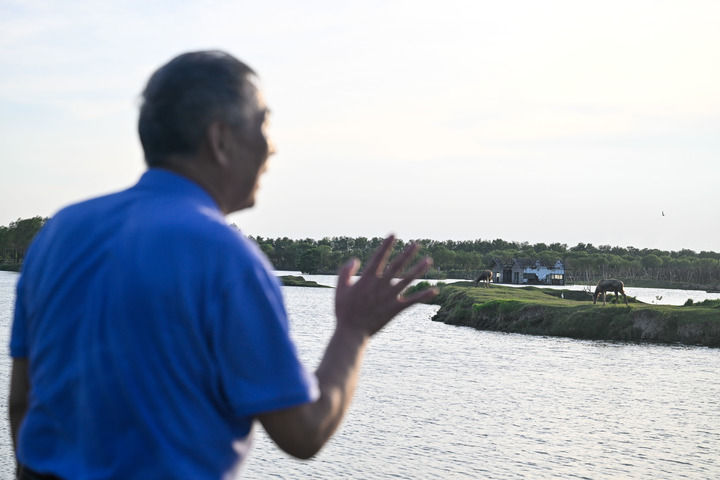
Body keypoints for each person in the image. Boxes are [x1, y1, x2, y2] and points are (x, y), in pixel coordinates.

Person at [8, 50, 437, 479]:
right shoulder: (226, 258)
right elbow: (304, 431)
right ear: (220, 139)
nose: (272, 146)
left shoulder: (59, 232)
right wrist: (353, 330)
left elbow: (22, 402)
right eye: (263, 124)